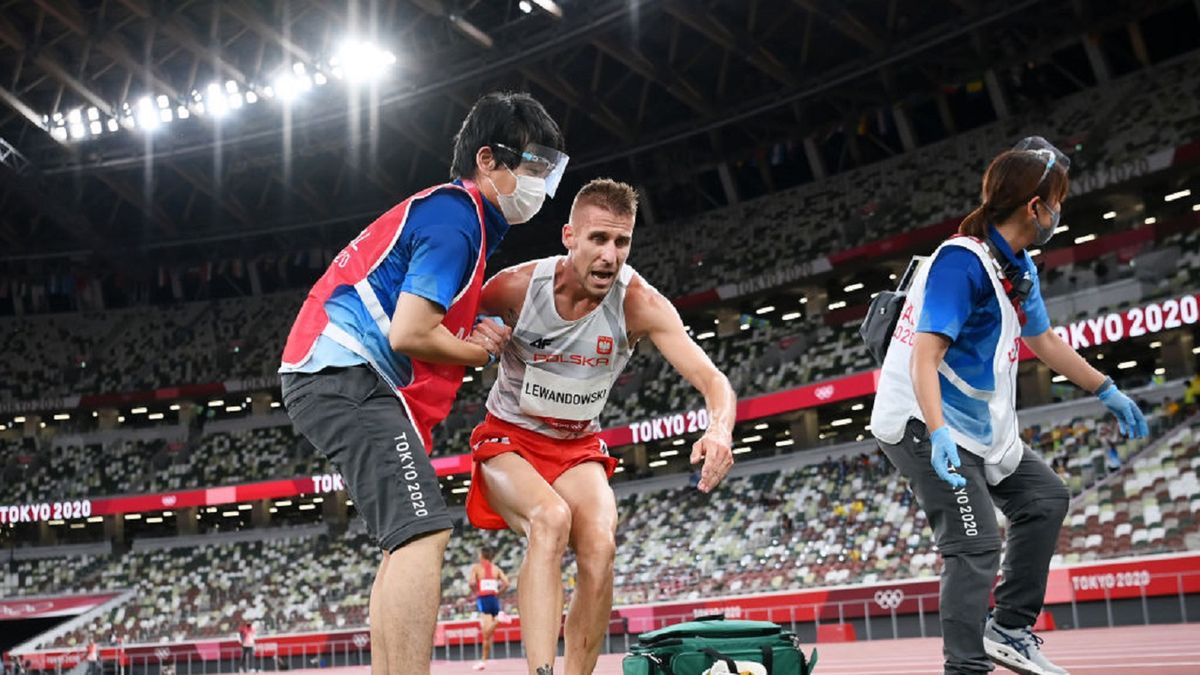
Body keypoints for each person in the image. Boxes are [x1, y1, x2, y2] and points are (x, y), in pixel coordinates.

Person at [279, 91, 565, 674]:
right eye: (531, 167)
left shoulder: (457, 218)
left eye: (546, 172)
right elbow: (411, 331)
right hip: (344, 372)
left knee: (405, 541)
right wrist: (475, 349)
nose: (539, 184)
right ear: (487, 160)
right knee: (422, 535)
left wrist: (470, 328)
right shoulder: (457, 220)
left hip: (334, 374)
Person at [871, 137, 1148, 675]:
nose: (1061, 211)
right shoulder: (962, 263)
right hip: (920, 422)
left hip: (978, 426)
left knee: (1045, 498)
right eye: (1059, 200)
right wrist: (937, 433)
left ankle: (1010, 628)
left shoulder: (1018, 267)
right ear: (1034, 207)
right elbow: (923, 359)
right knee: (974, 548)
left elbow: (1043, 342)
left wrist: (1106, 389)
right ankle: (966, 669)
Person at [466, 178, 737, 675]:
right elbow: (441, 328)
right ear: (569, 236)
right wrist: (473, 334)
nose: (610, 255)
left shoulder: (640, 304)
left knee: (600, 545)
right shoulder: (516, 287)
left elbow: (713, 380)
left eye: (622, 242)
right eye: (598, 239)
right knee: (549, 519)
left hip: (576, 446)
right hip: (510, 439)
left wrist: (719, 429)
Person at [468, 547, 511, 671]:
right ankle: (483, 661)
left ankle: (498, 618)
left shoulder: (476, 567)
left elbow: (471, 583)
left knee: (486, 632)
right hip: (494, 599)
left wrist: (476, 592)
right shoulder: (496, 568)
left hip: (483, 599)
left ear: (482, 556)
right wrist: (498, 593)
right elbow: (507, 583)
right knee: (489, 635)